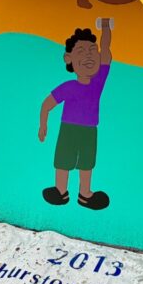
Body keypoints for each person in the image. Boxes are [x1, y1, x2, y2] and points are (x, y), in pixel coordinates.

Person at [38, 19, 114, 210]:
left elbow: (106, 52)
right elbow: (46, 104)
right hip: (68, 130)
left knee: (87, 162)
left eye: (92, 50)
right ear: (68, 58)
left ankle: (85, 194)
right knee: (63, 160)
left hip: (89, 130)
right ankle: (60, 190)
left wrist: (106, 28)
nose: (88, 55)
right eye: (81, 51)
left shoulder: (98, 82)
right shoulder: (69, 87)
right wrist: (43, 125)